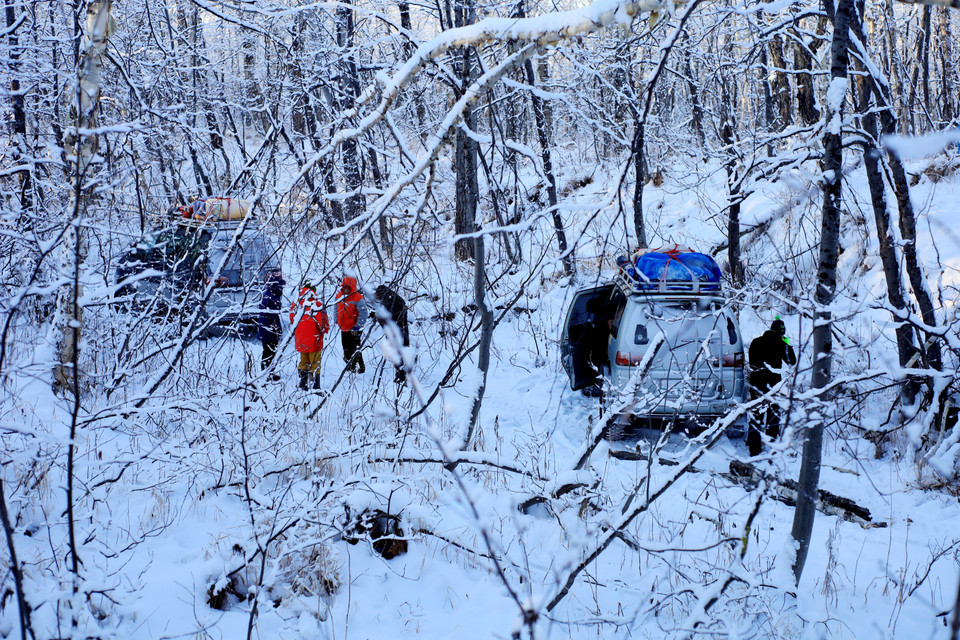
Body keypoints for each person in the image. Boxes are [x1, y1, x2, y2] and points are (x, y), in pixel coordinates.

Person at [747, 317, 797, 456]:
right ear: (781, 332)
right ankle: (771, 443)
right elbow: (792, 361)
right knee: (773, 414)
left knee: (756, 413)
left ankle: (754, 447)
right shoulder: (780, 344)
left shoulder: (756, 342)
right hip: (774, 384)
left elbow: (752, 363)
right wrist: (787, 344)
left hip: (756, 383)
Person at [290, 281, 330, 390]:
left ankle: (303, 383)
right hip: (314, 337)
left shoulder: (296, 303)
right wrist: (324, 330)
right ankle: (316, 385)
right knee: (315, 361)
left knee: (304, 360)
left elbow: (292, 319)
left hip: (300, 336)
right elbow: (323, 321)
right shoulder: (316, 304)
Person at [374, 283, 410, 384]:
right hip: (403, 330)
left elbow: (387, 321)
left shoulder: (388, 302)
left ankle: (401, 376)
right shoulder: (397, 298)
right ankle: (401, 374)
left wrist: (379, 319)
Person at [335, 275, 367, 373]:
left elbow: (364, 313)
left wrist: (357, 327)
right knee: (346, 350)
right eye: (344, 288)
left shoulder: (358, 297)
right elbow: (336, 308)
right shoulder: (338, 296)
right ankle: (350, 368)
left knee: (355, 349)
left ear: (352, 287)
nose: (345, 290)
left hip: (354, 329)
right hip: (343, 328)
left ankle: (361, 367)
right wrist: (336, 320)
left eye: (348, 288)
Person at [256, 273, 285, 380]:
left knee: (266, 351)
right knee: (270, 352)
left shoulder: (266, 294)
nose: (282, 290)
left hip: (263, 327)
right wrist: (278, 331)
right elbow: (274, 317)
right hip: (269, 330)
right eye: (280, 287)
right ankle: (268, 373)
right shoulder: (273, 298)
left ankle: (265, 372)